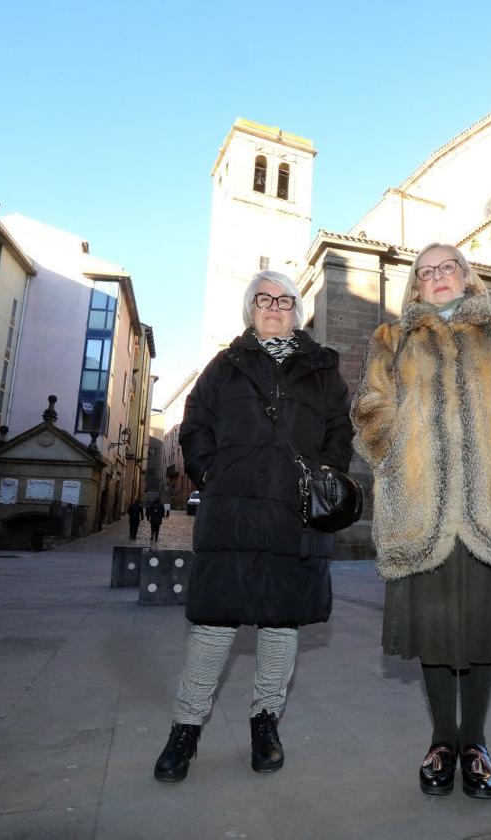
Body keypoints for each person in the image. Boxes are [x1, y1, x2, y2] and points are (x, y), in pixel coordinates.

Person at [351, 243, 491, 800]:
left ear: (467, 278)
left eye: (448, 268)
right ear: (415, 287)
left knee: (483, 628)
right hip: (421, 508)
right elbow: (370, 407)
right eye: (426, 272)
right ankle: (442, 741)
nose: (437, 277)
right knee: (436, 634)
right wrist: (393, 452)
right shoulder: (391, 341)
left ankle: (476, 743)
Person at [154, 270, 353, 782]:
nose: (273, 306)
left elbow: (339, 430)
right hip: (233, 511)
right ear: (250, 310)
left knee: (280, 624)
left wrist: (325, 473)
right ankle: (186, 726)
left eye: (284, 300)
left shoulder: (323, 370)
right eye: (263, 299)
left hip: (294, 512)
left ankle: (266, 722)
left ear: (296, 310)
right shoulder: (225, 366)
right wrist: (210, 469)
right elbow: (196, 422)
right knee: (214, 623)